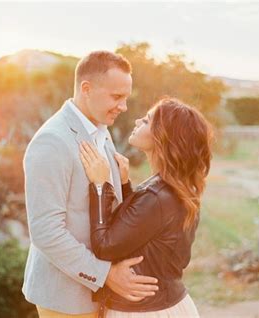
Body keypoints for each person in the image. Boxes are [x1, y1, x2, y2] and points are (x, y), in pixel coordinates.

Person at [22, 51, 158, 318]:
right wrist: (105, 274)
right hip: (65, 298)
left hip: (99, 295)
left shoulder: (100, 130)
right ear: (86, 89)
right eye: (116, 97)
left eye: (126, 98)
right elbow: (46, 231)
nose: (124, 107)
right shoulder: (51, 142)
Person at [79, 97, 214, 317]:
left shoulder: (158, 196)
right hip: (171, 306)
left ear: (163, 137)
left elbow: (104, 247)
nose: (136, 121)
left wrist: (100, 186)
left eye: (147, 120)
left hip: (144, 312)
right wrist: (125, 185)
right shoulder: (178, 187)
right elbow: (146, 229)